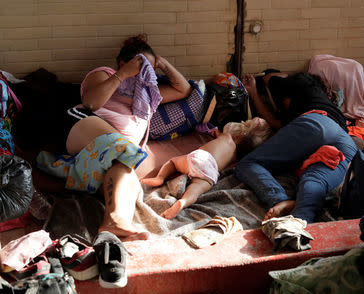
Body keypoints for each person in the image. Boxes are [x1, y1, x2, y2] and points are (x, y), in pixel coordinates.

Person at [65, 34, 192, 239]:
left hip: (118, 152)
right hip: (84, 125)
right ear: (124, 63)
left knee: (130, 179)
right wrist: (123, 74)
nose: (145, 73)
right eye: (142, 67)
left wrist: (164, 65)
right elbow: (91, 103)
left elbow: (184, 90)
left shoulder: (148, 94)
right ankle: (114, 220)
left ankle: (114, 221)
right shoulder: (104, 74)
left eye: (149, 69)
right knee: (126, 151)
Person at [236, 72, 358, 223]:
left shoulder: (303, 82)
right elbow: (275, 122)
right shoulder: (317, 103)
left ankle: (278, 199)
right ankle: (299, 222)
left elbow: (269, 79)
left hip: (317, 125)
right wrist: (253, 92)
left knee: (248, 164)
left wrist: (267, 76)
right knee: (313, 180)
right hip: (346, 144)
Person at [141, 117, 272, 219]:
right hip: (211, 172)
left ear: (240, 135)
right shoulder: (235, 159)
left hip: (201, 157)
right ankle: (183, 202)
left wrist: (217, 132)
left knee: (173, 163)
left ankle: (159, 178)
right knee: (195, 191)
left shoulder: (227, 138)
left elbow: (220, 133)